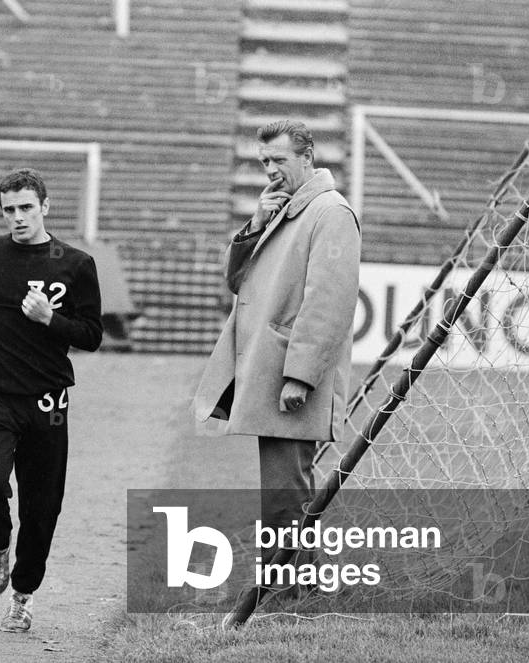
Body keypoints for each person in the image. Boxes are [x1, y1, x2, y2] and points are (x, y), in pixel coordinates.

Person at [193, 120, 360, 570]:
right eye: (264, 160)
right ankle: (291, 586)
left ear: (307, 157)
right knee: (282, 491)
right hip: (268, 371)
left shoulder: (331, 212)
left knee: (287, 493)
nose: (269, 170)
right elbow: (236, 282)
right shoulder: (285, 208)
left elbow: (329, 304)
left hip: (290, 376)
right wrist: (255, 225)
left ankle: (286, 590)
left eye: (279, 160)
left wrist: (300, 377)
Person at [0, 168, 103, 632]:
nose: (18, 217)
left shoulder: (75, 264)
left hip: (47, 404)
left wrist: (50, 318)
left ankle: (22, 596)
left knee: (41, 508)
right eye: (9, 210)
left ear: (45, 207)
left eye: (26, 208)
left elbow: (92, 335)